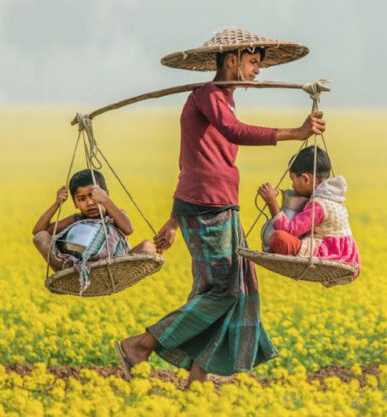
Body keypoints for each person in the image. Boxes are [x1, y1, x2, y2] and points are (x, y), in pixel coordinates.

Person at [115, 28, 324, 385]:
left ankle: (199, 375)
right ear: (232, 60)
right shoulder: (208, 95)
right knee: (223, 291)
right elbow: (233, 132)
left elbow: (193, 162)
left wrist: (174, 219)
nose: (258, 70)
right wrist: (296, 132)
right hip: (208, 206)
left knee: (238, 289)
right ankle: (141, 345)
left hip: (220, 204)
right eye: (253, 62)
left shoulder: (224, 98)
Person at [32, 169, 156, 293]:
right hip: (80, 263)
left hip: (116, 263)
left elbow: (128, 229)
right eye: (81, 199)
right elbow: (38, 231)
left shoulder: (113, 215)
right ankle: (67, 268)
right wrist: (57, 204)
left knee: (148, 246)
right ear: (75, 203)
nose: (89, 203)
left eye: (93, 196)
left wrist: (105, 201)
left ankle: (120, 273)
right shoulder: (76, 219)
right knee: (41, 237)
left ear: (105, 194)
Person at [257, 146, 361, 283]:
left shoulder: (319, 204)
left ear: (306, 179)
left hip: (329, 254)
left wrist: (272, 203)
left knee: (279, 237)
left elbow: (289, 229)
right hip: (347, 255)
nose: (293, 185)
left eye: (293, 179)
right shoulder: (333, 197)